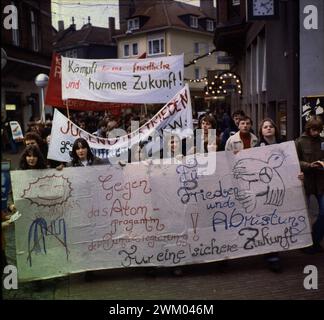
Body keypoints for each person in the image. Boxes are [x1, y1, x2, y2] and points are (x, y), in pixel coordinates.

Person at [295, 117, 324, 254]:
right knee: (302, 214)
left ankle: (316, 239)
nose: (316, 133)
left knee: (323, 213)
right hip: (305, 181)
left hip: (321, 182)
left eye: (318, 130)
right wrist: (308, 165)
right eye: (314, 130)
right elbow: (294, 160)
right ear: (308, 128)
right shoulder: (300, 142)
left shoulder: (322, 142)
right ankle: (304, 243)